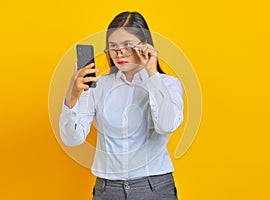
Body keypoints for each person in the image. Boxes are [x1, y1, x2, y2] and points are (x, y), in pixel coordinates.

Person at [59, 11, 183, 200]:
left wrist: (151, 74)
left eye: (127, 45)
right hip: (108, 190)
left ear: (145, 45)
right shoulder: (97, 86)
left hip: (154, 188)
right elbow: (72, 139)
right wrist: (72, 96)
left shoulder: (168, 84)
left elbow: (167, 125)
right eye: (113, 47)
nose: (119, 53)